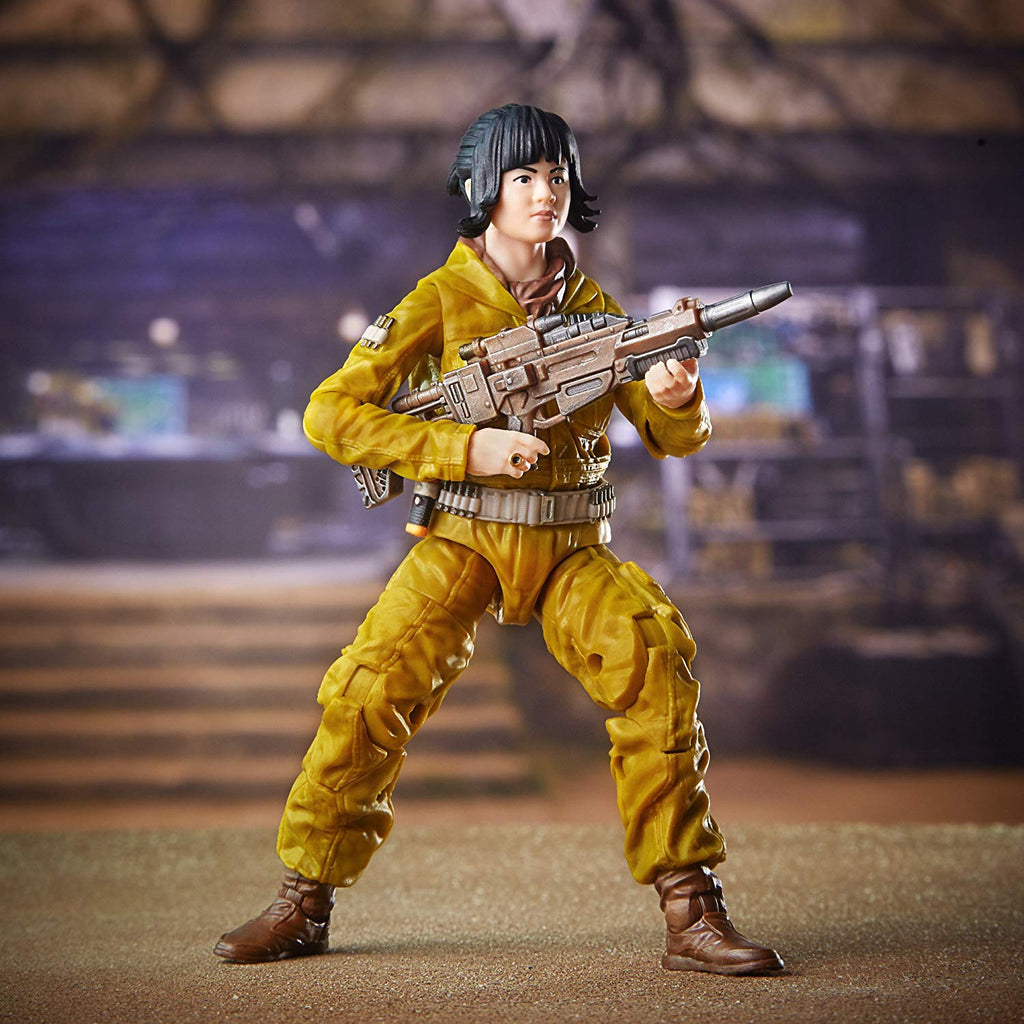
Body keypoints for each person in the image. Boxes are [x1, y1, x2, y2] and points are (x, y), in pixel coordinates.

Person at [214, 103, 784, 976]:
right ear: (486, 189)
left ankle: (691, 909)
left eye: (558, 176)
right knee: (369, 691)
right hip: (465, 538)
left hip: (569, 545)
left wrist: (677, 397)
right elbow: (329, 414)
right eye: (524, 177)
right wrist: (462, 449)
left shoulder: (597, 311)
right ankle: (304, 899)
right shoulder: (439, 300)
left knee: (654, 662)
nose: (544, 193)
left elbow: (669, 435)